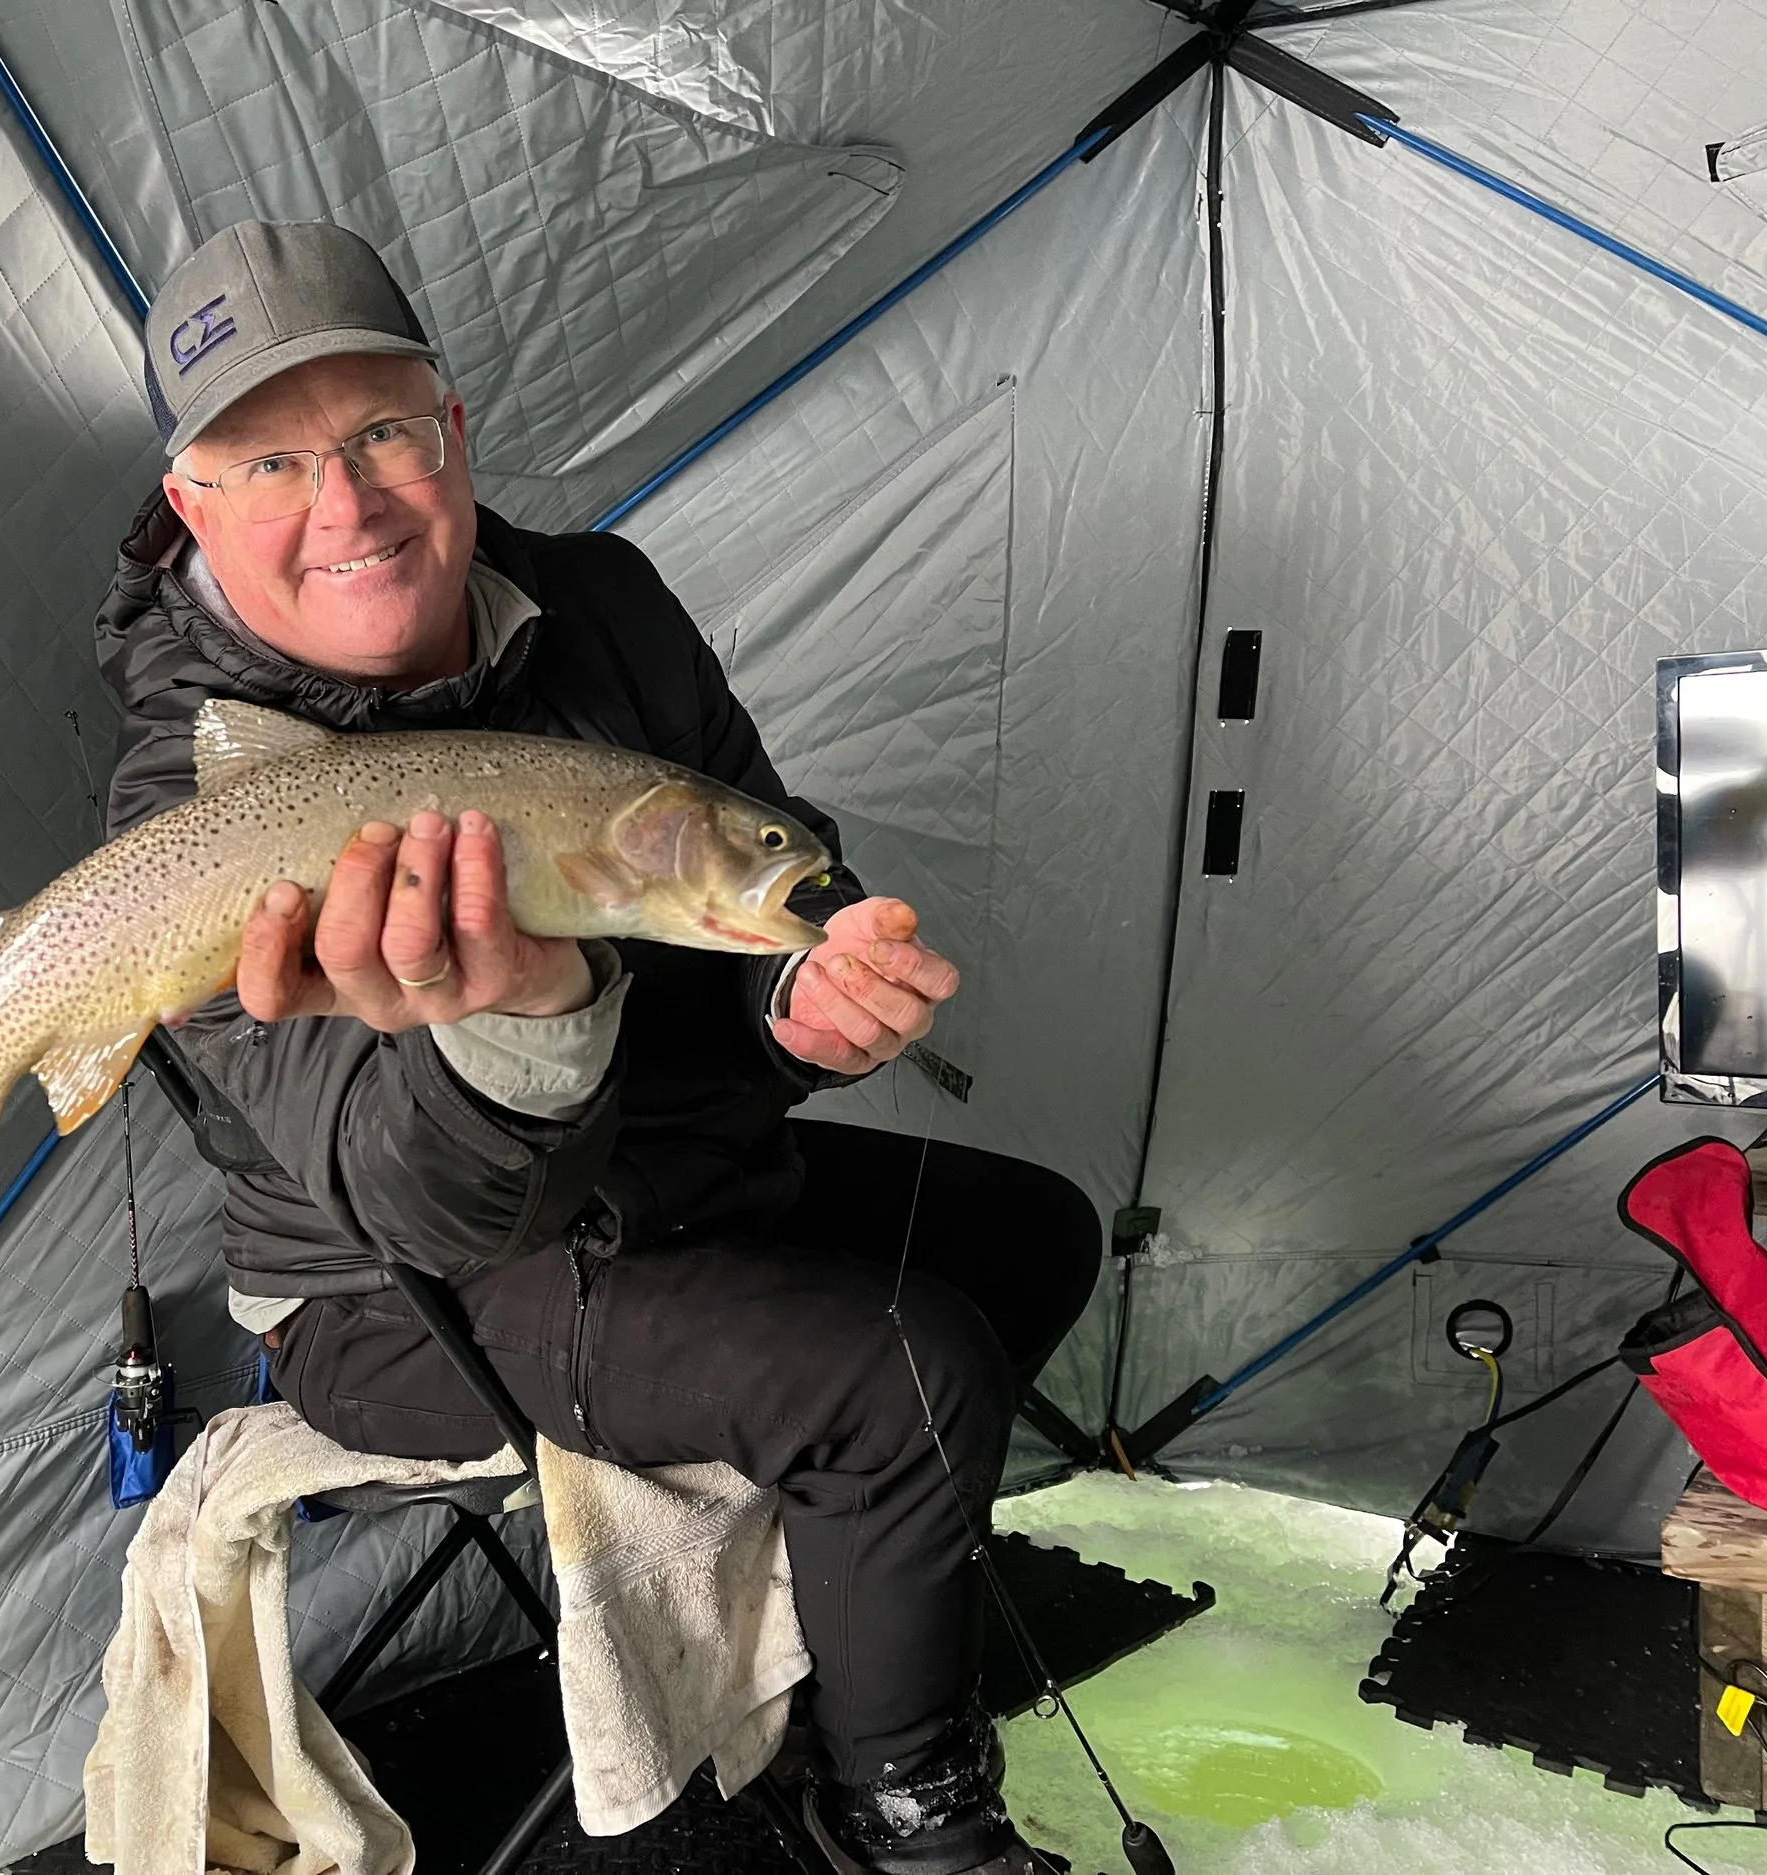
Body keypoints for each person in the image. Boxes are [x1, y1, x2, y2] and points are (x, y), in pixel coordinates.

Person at [95, 217, 1101, 1875]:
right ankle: (901, 1813)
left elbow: (755, 856)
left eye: (380, 436)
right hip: (384, 1289)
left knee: (1035, 1235)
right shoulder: (187, 811)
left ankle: (835, 1640)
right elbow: (418, 1206)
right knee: (905, 1367)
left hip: (672, 1175)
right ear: (191, 502)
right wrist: (528, 1028)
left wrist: (800, 1000)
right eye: (267, 462)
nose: (343, 506)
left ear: (455, 433)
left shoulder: (606, 602)